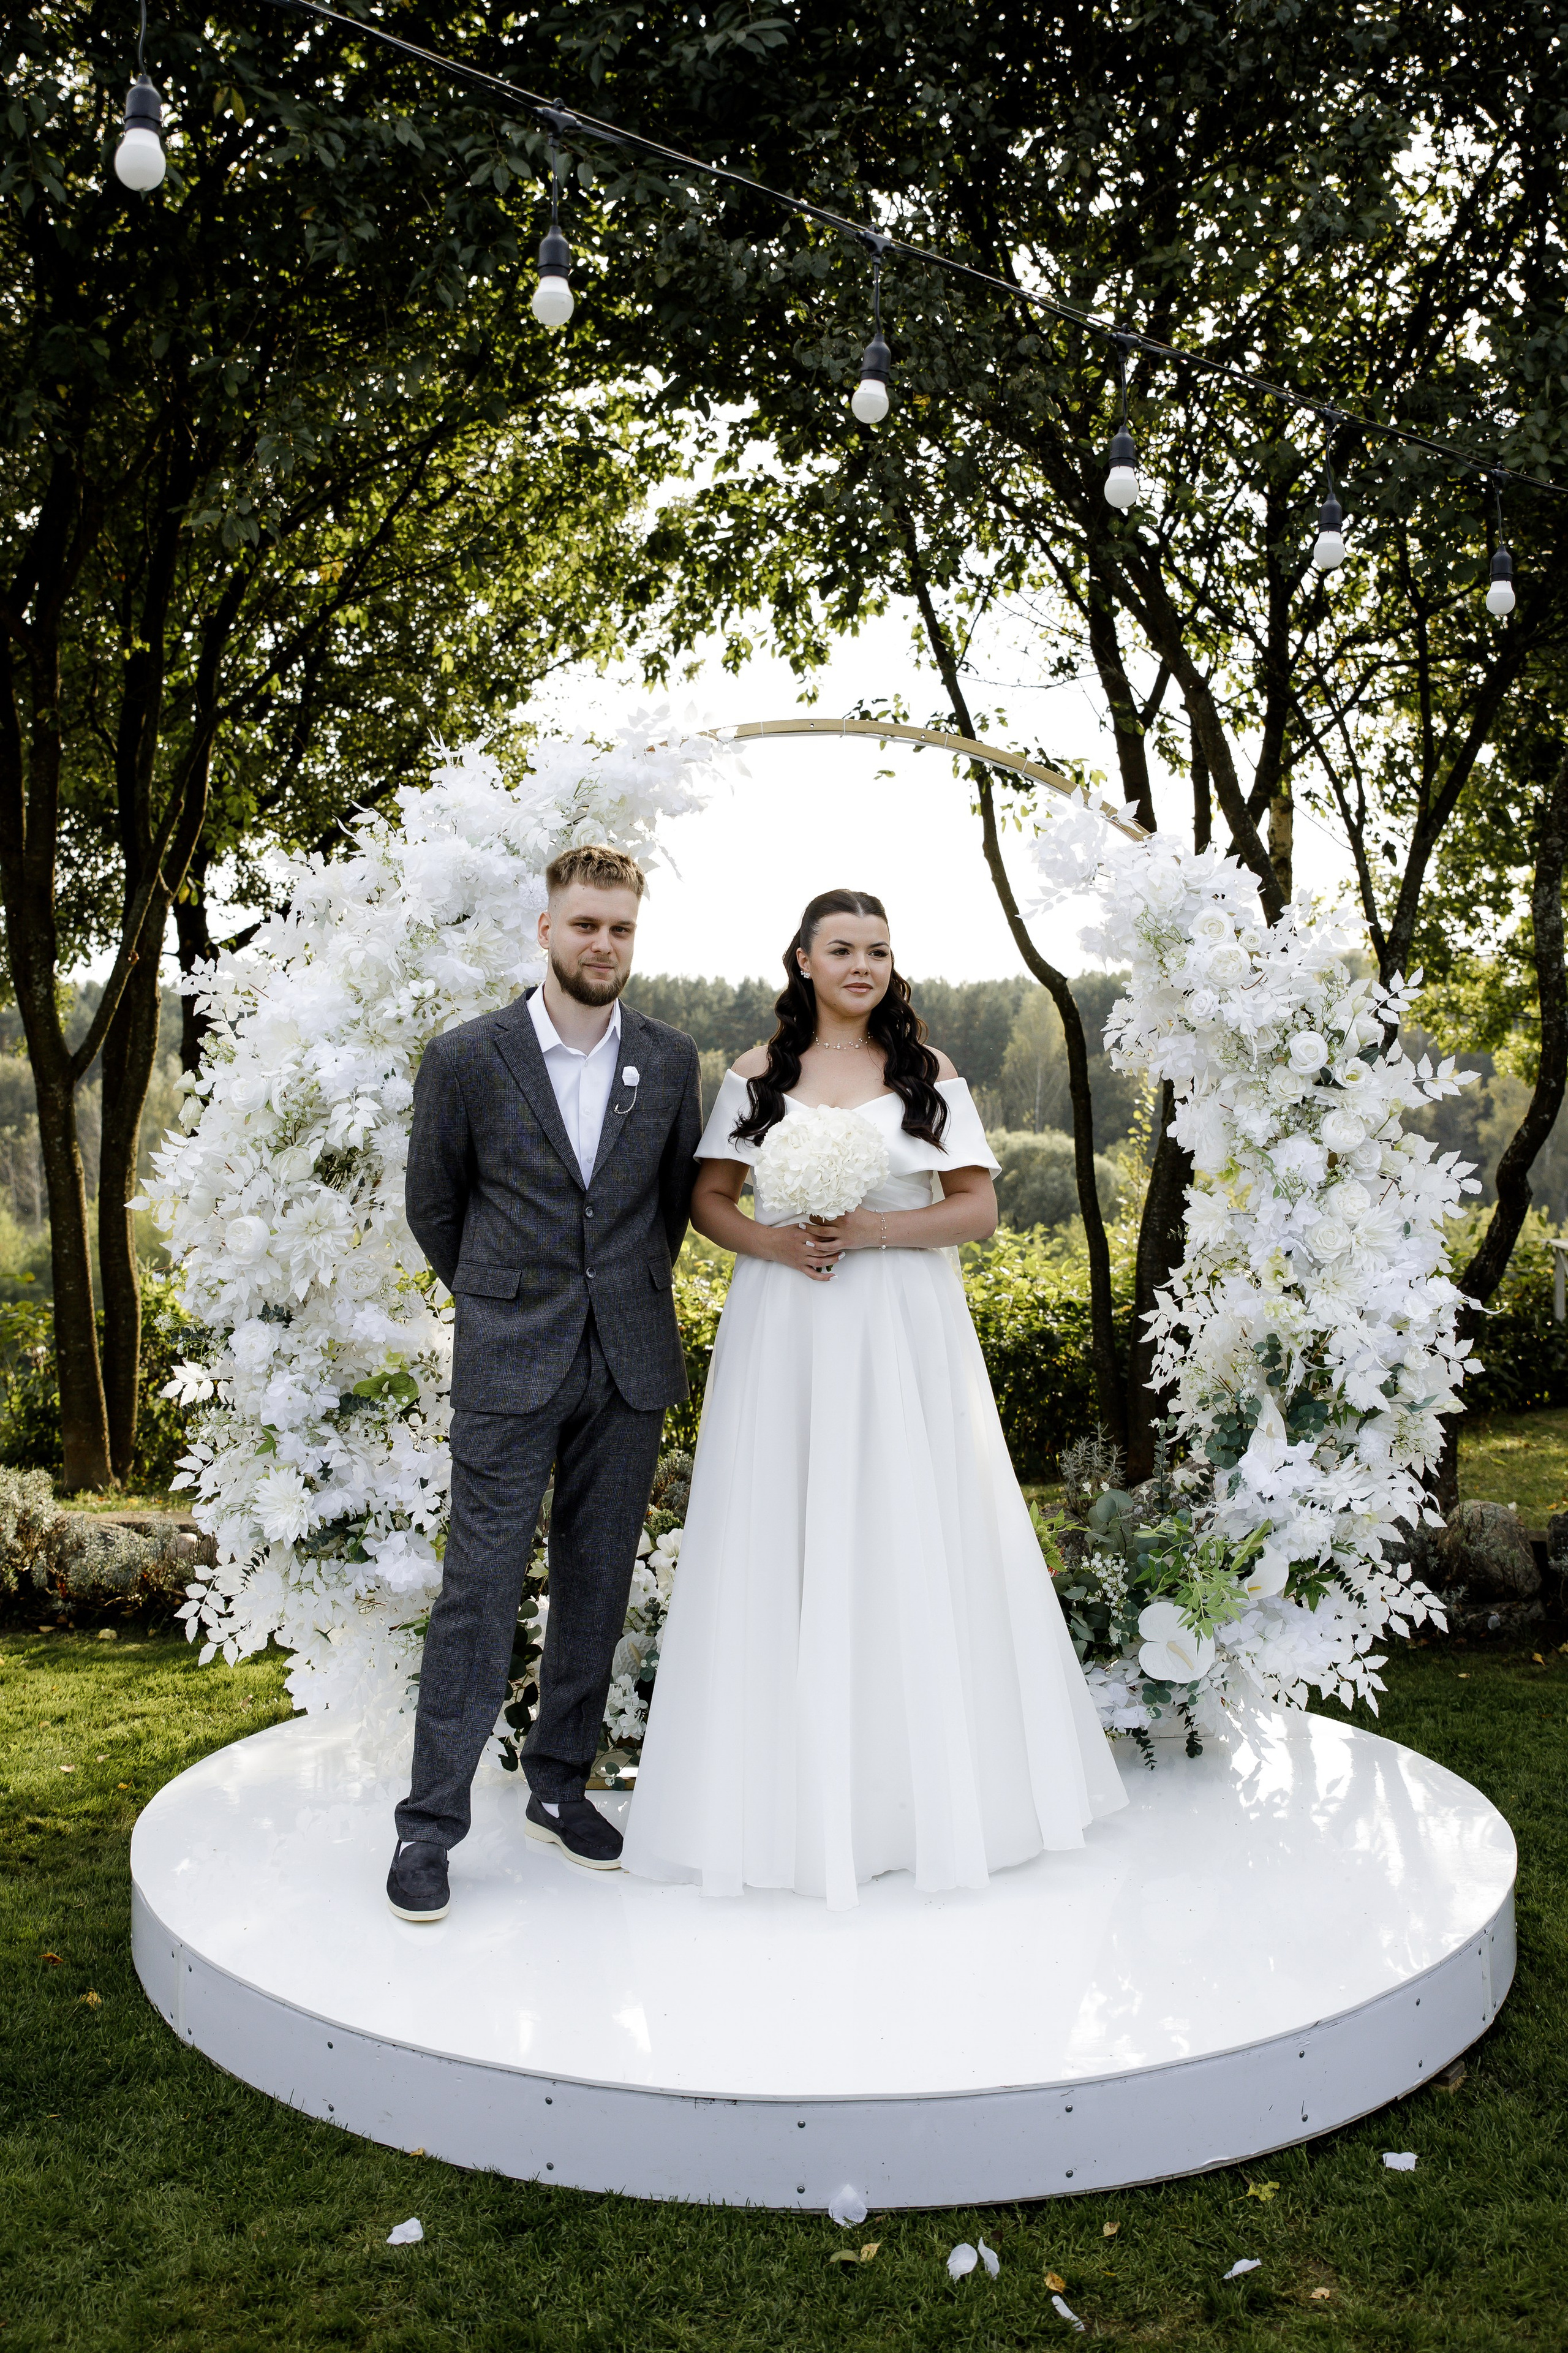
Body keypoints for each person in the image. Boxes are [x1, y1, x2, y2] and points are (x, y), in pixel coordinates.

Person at [621, 888, 1126, 1909]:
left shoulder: (929, 1074)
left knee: (911, 1519)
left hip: (903, 1324)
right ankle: (781, 1801)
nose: (864, 965)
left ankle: (924, 1795)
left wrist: (873, 1232)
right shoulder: (757, 1076)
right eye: (844, 948)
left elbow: (977, 1207)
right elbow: (709, 1199)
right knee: (786, 1523)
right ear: (803, 959)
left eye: (880, 950)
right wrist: (777, 1242)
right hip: (786, 1324)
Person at [388, 844, 702, 1921]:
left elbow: (669, 1206)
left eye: (620, 928)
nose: (603, 944)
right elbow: (435, 1205)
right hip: (509, 1359)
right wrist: (503, 1299)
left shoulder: (669, 1060)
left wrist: (618, 1294)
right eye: (585, 925)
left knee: (597, 1581)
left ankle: (559, 1784)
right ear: (546, 929)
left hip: (629, 1359)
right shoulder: (467, 1058)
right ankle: (428, 1824)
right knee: (477, 1591)